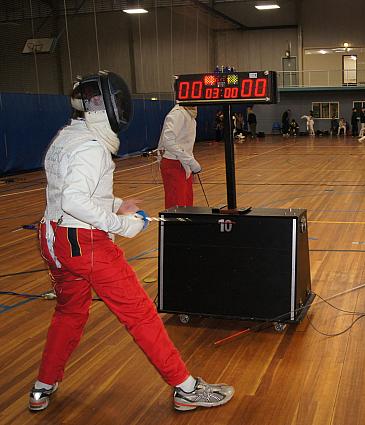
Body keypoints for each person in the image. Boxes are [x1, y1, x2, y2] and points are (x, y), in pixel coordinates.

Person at [31, 71, 234, 413]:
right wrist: (121, 225)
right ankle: (185, 389)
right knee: (140, 314)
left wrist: (115, 204)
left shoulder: (67, 137)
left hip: (53, 239)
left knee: (70, 311)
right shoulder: (92, 147)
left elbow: (68, 191)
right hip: (84, 242)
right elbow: (74, 200)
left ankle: (42, 386)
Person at [158, 103, 202, 209]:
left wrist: (190, 166)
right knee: (177, 207)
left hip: (183, 164)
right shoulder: (177, 114)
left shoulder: (189, 115)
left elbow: (186, 144)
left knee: (187, 205)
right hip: (173, 164)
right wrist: (190, 161)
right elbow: (168, 141)